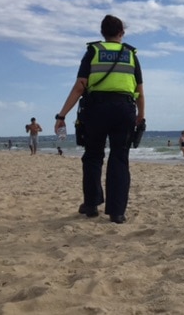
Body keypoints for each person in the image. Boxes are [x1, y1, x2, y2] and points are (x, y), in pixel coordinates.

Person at [54, 15, 146, 225]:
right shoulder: (131, 54)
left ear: (102, 33)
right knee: (119, 158)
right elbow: (140, 90)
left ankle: (92, 204)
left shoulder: (93, 52)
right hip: (124, 110)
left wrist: (62, 115)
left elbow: (80, 86)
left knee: (93, 156)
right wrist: (141, 116)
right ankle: (117, 212)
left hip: (96, 109)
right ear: (122, 32)